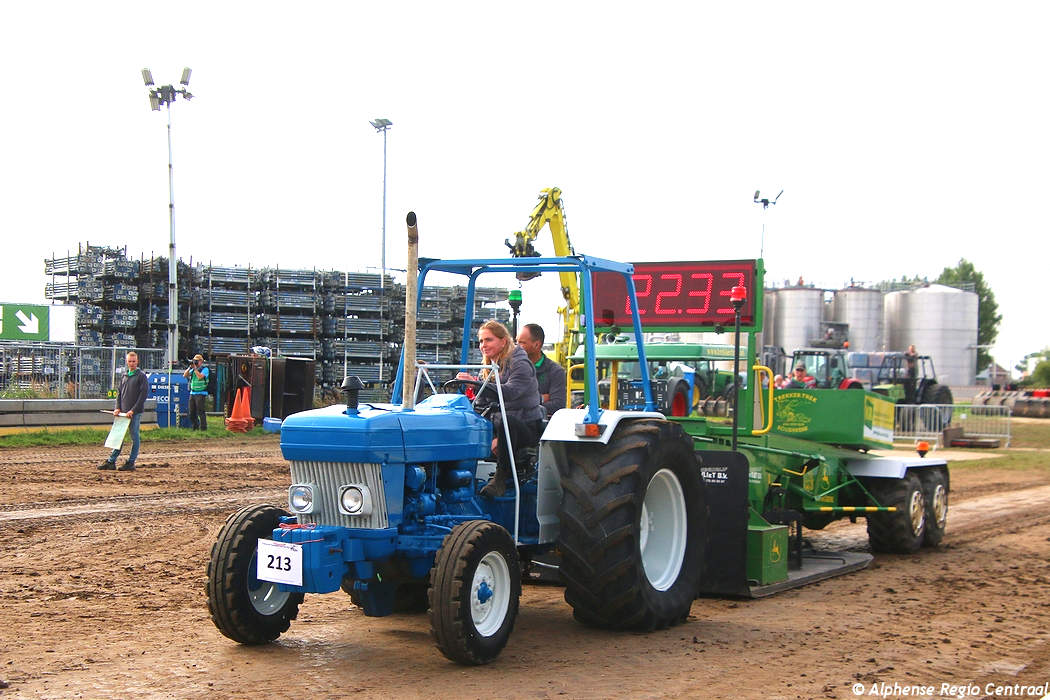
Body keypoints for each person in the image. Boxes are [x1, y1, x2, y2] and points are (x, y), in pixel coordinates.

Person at [457, 320, 544, 498]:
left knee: (506, 422)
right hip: (498, 424)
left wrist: (476, 385)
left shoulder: (520, 364)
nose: (483, 345)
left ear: (503, 341)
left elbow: (510, 392)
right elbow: (482, 402)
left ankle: (501, 478)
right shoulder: (489, 366)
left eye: (488, 340)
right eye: (481, 341)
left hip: (525, 426)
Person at [98, 351, 149, 471]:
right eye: (130, 361)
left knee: (134, 437)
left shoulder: (141, 376)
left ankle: (131, 462)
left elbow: (143, 396)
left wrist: (133, 410)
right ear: (127, 362)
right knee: (118, 437)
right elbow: (119, 393)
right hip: (123, 412)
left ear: (137, 362)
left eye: (134, 361)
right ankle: (111, 461)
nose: (132, 363)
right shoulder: (124, 375)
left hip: (134, 413)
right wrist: (117, 408)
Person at [516, 323, 566, 417]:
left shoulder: (556, 372)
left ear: (536, 344)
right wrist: (541, 398)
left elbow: (557, 405)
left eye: (522, 343)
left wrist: (521, 405)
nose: (517, 347)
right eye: (517, 342)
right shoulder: (510, 368)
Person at [183, 353, 210, 431]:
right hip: (193, 393)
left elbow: (200, 377)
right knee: (192, 412)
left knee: (200, 411)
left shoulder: (205, 369)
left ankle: (203, 428)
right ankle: (195, 427)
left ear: (201, 361)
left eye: (197, 361)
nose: (196, 362)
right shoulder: (193, 370)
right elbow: (185, 375)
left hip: (201, 393)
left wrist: (195, 369)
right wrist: (190, 367)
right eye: (195, 361)